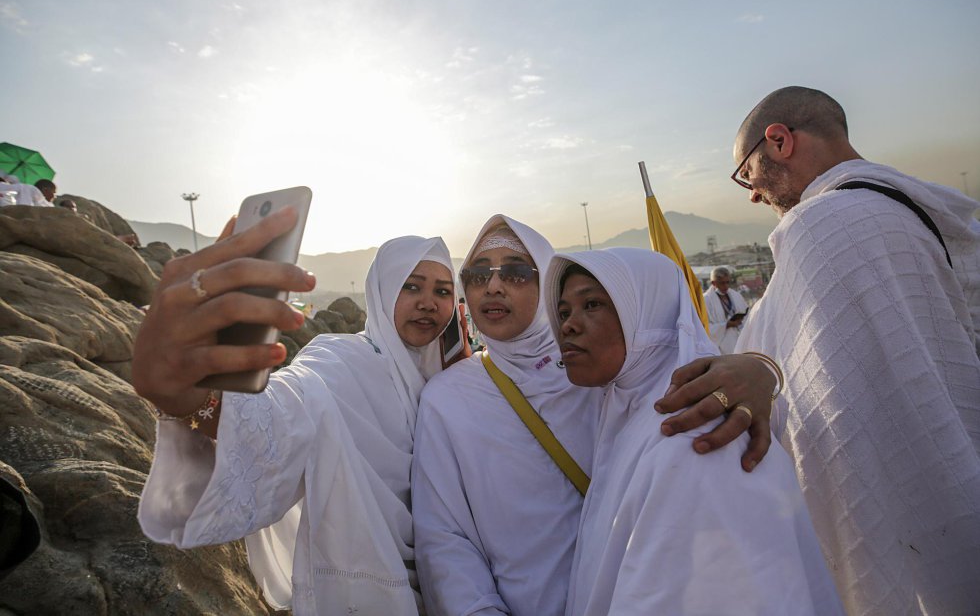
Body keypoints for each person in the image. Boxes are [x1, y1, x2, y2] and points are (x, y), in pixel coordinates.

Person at [411, 215, 780, 616]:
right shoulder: (448, 399)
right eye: (478, 275)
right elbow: (445, 537)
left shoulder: (602, 371)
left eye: (516, 273)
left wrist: (761, 370)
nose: (494, 286)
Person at [729, 86, 980, 614]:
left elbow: (847, 429)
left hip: (914, 540)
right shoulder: (918, 210)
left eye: (746, 175)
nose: (752, 195)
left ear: (778, 141)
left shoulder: (827, 225)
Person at [135, 208, 458, 616]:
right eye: (412, 287)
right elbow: (283, 412)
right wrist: (183, 393)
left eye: (443, 292)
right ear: (382, 291)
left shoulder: (447, 378)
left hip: (452, 590)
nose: (428, 303)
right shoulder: (341, 360)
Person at [547, 248, 842, 616]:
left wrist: (762, 371)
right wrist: (762, 369)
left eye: (591, 304)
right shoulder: (623, 411)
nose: (569, 325)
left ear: (648, 312)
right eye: (563, 312)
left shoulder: (694, 440)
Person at [703, 265, 748, 353]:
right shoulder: (706, 300)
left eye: (728, 282)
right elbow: (704, 327)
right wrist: (726, 325)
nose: (726, 286)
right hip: (721, 345)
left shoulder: (736, 295)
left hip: (740, 339)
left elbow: (747, 315)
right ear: (713, 283)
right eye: (722, 283)